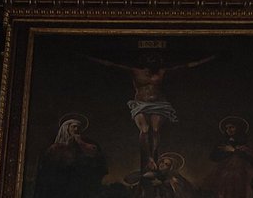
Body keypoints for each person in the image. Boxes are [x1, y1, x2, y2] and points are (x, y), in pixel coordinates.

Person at [86, 49, 215, 171]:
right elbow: (111, 65)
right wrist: (90, 57)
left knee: (155, 130)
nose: (152, 61)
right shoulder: (135, 71)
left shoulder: (162, 72)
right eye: (149, 58)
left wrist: (208, 59)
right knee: (145, 129)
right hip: (140, 104)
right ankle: (148, 158)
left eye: (155, 59)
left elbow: (186, 66)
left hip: (158, 104)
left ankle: (153, 157)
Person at [24, 115, 107, 198]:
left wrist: (80, 143)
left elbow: (95, 159)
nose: (76, 130)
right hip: (59, 190)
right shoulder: (55, 149)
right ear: (66, 128)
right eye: (74, 127)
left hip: (77, 190)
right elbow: (50, 170)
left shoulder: (84, 146)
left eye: (78, 128)